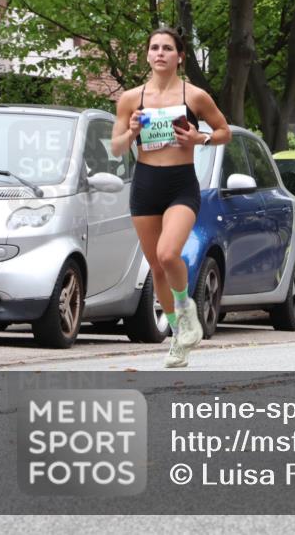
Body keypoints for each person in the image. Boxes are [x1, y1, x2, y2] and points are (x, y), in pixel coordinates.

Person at [111, 27, 231, 368]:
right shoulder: (131, 99)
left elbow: (225, 132)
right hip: (146, 183)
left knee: (168, 254)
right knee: (157, 268)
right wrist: (132, 131)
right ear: (147, 55)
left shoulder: (195, 96)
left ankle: (185, 307)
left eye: (167, 48)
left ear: (179, 56)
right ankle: (180, 336)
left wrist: (199, 138)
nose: (160, 53)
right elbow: (117, 147)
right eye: (154, 48)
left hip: (180, 183)